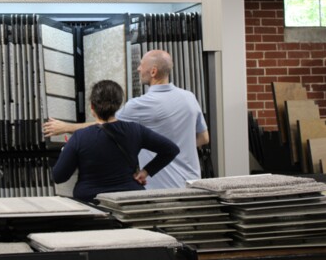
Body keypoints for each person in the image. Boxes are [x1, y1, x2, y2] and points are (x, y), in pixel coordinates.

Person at [44, 50, 209, 189]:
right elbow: (204, 138)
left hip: (162, 186)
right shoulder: (189, 97)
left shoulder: (140, 105)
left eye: (141, 65)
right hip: (193, 183)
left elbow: (105, 124)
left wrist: (66, 127)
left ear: (153, 71)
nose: (137, 69)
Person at [52, 80, 179, 202]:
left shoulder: (80, 137)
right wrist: (146, 171)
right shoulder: (136, 130)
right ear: (118, 105)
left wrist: (66, 152)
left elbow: (59, 177)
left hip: (91, 202)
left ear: (91, 106)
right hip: (130, 201)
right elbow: (171, 149)